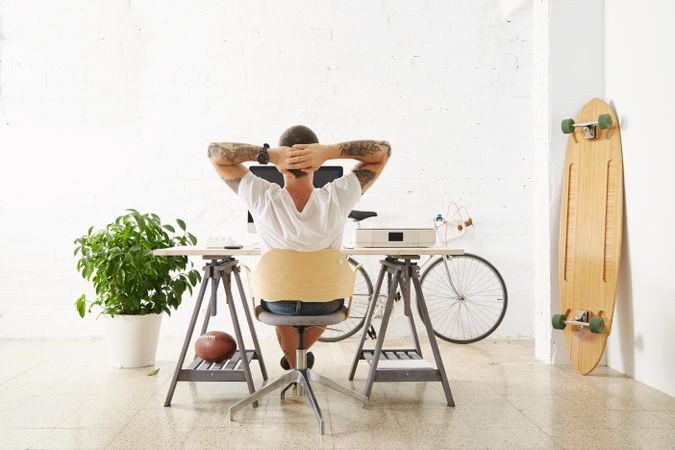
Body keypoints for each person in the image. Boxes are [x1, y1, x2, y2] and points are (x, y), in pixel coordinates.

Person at [208, 125, 391, 368]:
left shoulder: (261, 196)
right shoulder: (338, 196)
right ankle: (298, 359)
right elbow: (382, 153)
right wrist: (328, 152)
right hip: (327, 301)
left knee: (282, 295)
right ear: (315, 164)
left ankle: (295, 361)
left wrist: (269, 156)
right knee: (321, 292)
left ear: (279, 162)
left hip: (277, 301)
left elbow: (215, 154)